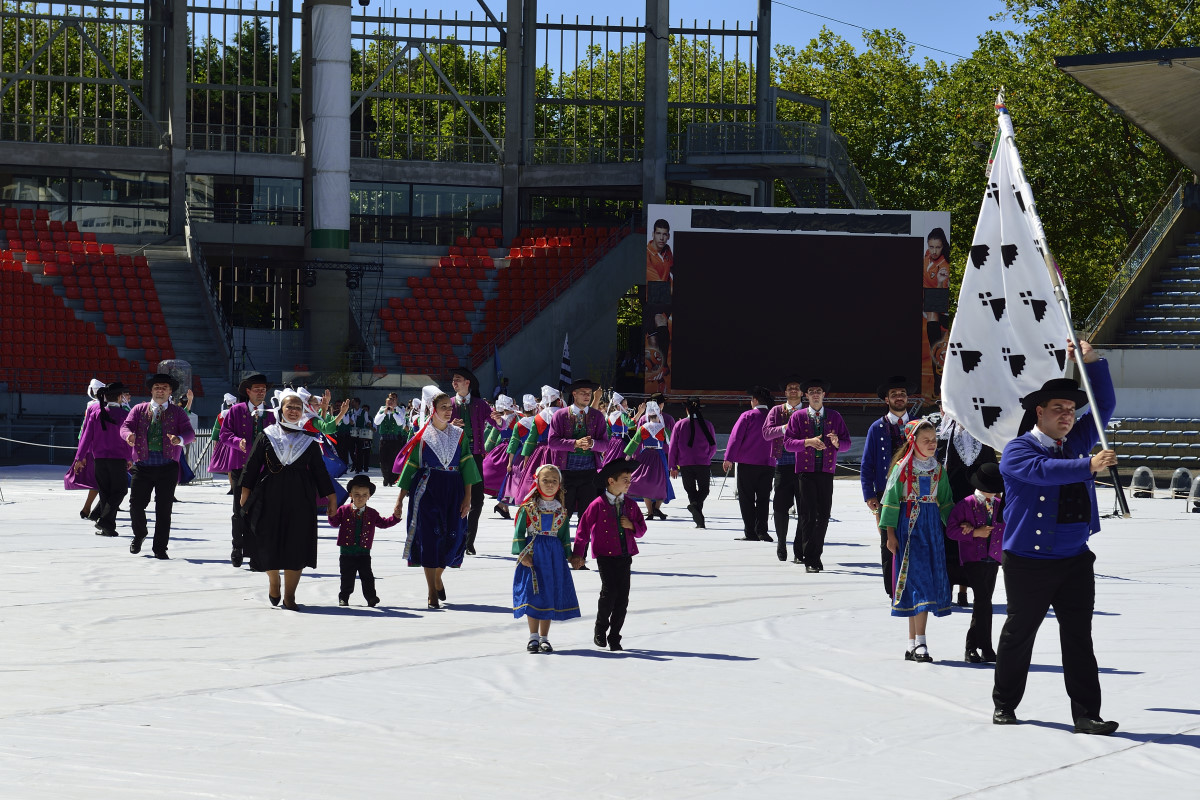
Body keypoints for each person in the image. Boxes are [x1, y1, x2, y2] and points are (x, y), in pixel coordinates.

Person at [992, 340, 1119, 735]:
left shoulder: (1076, 443)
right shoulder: (1017, 450)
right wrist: (1089, 464)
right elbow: (1045, 472)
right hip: (1029, 562)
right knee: (1019, 634)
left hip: (1075, 559)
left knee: (1079, 637)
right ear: (1039, 413)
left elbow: (1105, 407)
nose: (1067, 416)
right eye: (1058, 410)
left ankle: (1086, 714)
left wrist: (1092, 361)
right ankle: (1005, 704)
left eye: (1071, 410)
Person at [239, 389, 339, 610]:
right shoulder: (267, 435)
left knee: (297, 544)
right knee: (267, 541)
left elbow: (320, 473)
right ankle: (274, 581)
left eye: (298, 408)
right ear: (280, 409)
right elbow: (252, 466)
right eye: (289, 407)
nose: (293, 411)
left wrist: (331, 497)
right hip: (268, 495)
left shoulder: (310, 441)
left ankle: (290, 596)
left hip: (300, 497)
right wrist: (245, 493)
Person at [392, 387, 483, 609]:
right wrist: (399, 500)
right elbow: (411, 467)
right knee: (430, 539)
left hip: (454, 489)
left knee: (455, 537)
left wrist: (468, 497)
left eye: (450, 407)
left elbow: (467, 465)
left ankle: (437, 577)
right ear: (432, 410)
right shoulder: (422, 437)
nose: (448, 411)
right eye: (443, 407)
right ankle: (432, 591)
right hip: (427, 489)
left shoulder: (459, 435)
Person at [880, 418, 954, 662]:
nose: (932, 444)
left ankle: (912, 643)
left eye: (934, 440)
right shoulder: (902, 468)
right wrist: (889, 534)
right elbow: (890, 503)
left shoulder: (937, 469)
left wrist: (956, 526)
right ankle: (921, 642)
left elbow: (945, 502)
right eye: (927, 440)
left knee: (923, 582)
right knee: (918, 583)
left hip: (931, 528)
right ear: (914, 441)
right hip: (910, 529)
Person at [572, 458, 647, 652]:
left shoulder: (631, 505)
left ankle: (615, 636)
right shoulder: (597, 504)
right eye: (625, 479)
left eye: (630, 479)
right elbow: (583, 530)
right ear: (611, 481)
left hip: (625, 555)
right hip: (605, 556)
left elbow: (642, 529)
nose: (629, 482)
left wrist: (632, 526)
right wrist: (577, 555)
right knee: (609, 593)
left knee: (623, 598)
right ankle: (600, 629)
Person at [120, 373, 196, 559]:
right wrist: (128, 435)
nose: (160, 390)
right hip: (143, 466)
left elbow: (189, 433)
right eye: (156, 387)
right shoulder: (138, 409)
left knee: (164, 509)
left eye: (164, 388)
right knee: (136, 505)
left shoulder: (178, 412)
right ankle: (140, 534)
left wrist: (179, 439)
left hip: (167, 467)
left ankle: (160, 548)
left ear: (170, 391)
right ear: (152, 391)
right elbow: (125, 426)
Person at [782, 378, 851, 572]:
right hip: (806, 472)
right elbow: (788, 443)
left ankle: (814, 553)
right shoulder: (797, 417)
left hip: (826, 472)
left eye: (818, 391)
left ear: (823, 394)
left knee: (824, 515)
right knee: (808, 515)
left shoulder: (835, 416)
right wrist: (808, 442)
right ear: (806, 395)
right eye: (811, 391)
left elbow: (846, 443)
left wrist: (837, 443)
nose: (815, 394)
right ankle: (810, 558)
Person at [511, 464, 582, 652]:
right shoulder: (528, 508)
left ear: (559, 484)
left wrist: (570, 556)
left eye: (554, 481)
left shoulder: (562, 511)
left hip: (554, 557)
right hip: (534, 554)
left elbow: (564, 538)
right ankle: (533, 636)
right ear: (537, 482)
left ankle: (544, 637)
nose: (550, 484)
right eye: (545, 480)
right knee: (534, 594)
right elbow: (519, 532)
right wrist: (522, 554)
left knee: (548, 592)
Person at [934, 411, 997, 608]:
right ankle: (948, 590)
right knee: (950, 542)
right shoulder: (944, 433)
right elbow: (937, 466)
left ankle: (966, 591)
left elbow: (991, 468)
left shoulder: (983, 435)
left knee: (973, 543)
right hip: (949, 498)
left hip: (977, 497)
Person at [946, 462, 1005, 664]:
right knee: (983, 601)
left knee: (984, 602)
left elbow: (1006, 528)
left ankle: (984, 647)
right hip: (973, 559)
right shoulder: (966, 504)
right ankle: (974, 647)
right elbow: (951, 531)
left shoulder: (999, 505)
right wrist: (974, 532)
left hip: (993, 558)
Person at [861, 375, 914, 597]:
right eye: (894, 394)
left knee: (914, 538)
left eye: (902, 393)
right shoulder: (876, 427)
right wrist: (869, 493)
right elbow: (867, 463)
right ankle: (892, 589)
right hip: (885, 494)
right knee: (888, 540)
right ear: (886, 399)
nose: (899, 397)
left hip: (914, 492)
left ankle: (913, 585)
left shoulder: (919, 425)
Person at [219, 374, 274, 568]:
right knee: (239, 510)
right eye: (257, 389)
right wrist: (237, 441)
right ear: (248, 391)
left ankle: (256, 553)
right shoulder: (235, 410)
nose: (261, 392)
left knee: (261, 512)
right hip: (240, 468)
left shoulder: (272, 413)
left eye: (263, 389)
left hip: (264, 469)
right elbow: (224, 434)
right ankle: (237, 546)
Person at [69, 381, 131, 537]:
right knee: (120, 490)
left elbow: (85, 437)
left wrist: (80, 457)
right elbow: (129, 439)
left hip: (99, 459)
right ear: (119, 397)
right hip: (118, 458)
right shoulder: (124, 415)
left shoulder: (95, 412)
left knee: (105, 492)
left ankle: (107, 526)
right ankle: (105, 521)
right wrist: (130, 457)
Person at [328, 474, 400, 608]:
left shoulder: (372, 513)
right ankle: (344, 597)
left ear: (369, 496)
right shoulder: (343, 510)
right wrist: (331, 515)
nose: (360, 498)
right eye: (357, 494)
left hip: (364, 553)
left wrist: (395, 518)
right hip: (346, 553)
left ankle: (371, 597)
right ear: (350, 495)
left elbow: (383, 523)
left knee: (367, 577)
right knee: (347, 577)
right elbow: (334, 523)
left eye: (364, 495)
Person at [548, 378, 611, 526]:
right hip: (566, 472)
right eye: (583, 393)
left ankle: (583, 547)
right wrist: (575, 443)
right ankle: (562, 545)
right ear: (574, 394)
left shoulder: (598, 416)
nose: (587, 396)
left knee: (587, 515)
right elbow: (552, 442)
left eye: (589, 393)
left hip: (589, 472)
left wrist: (592, 444)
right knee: (563, 513)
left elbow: (605, 445)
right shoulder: (560, 415)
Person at [448, 366, 497, 555]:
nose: (454, 382)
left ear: (467, 382)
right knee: (455, 498)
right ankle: (455, 537)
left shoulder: (480, 404)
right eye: (453, 379)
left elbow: (497, 425)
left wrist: (499, 420)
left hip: (475, 457)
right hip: (453, 457)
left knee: (478, 499)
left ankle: (469, 540)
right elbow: (436, 427)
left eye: (458, 379)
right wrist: (449, 426)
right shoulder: (448, 403)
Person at [723, 386, 777, 543]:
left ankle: (750, 532)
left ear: (755, 400)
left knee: (746, 498)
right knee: (763, 498)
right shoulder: (774, 417)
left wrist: (728, 458)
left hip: (747, 463)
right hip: (768, 463)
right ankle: (762, 531)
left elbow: (736, 438)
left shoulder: (747, 415)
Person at [762, 376, 805, 557]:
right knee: (780, 506)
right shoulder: (776, 411)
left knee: (805, 508)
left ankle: (798, 546)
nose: (794, 390)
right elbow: (766, 433)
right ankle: (781, 541)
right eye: (790, 388)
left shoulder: (810, 411)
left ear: (802, 393)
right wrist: (783, 428)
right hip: (783, 464)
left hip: (805, 465)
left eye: (797, 387)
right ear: (785, 393)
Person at [668, 397, 717, 528]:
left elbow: (673, 447)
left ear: (686, 409)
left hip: (685, 463)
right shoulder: (707, 424)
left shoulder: (680, 425)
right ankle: (696, 510)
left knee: (690, 490)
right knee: (704, 490)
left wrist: (673, 466)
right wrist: (707, 456)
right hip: (703, 463)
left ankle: (696, 511)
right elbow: (713, 446)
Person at [624, 400, 674, 520]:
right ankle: (656, 508)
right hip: (659, 455)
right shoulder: (663, 429)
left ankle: (651, 511)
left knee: (644, 481)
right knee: (662, 482)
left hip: (645, 455)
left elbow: (634, 442)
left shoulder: (643, 428)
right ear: (658, 414)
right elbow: (673, 441)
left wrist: (628, 455)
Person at [514, 385, 564, 501]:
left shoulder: (538, 417)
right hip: (560, 450)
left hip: (542, 451)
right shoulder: (563, 414)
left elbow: (531, 440)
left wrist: (526, 460)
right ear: (558, 400)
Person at [72, 378, 106, 521]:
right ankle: (93, 509)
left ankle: (92, 508)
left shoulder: (93, 405)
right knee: (100, 481)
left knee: (102, 481)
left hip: (98, 447)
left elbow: (84, 431)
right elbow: (85, 430)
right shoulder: (93, 406)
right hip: (98, 448)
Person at [482, 394, 520, 519]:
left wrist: (486, 450)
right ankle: (503, 505)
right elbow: (492, 437)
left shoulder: (515, 418)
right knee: (509, 478)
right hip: (512, 449)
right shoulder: (516, 418)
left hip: (509, 449)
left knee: (509, 478)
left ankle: (502, 505)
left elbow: (492, 438)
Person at [375, 392, 409, 488]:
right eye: (389, 401)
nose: (390, 403)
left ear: (395, 401)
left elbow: (400, 423)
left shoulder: (400, 409)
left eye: (392, 401)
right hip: (384, 438)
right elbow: (376, 421)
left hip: (395, 439)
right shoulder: (382, 409)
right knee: (383, 459)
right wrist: (384, 412)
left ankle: (392, 479)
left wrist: (393, 411)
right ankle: (386, 478)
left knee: (393, 459)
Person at [208, 393, 239, 493]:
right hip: (238, 441)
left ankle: (232, 487)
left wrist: (215, 444)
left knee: (230, 466)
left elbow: (216, 430)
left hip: (225, 443)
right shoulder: (241, 412)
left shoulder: (221, 415)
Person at [600, 392, 642, 467]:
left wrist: (606, 449)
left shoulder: (610, 416)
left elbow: (608, 433)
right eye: (625, 404)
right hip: (622, 441)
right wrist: (639, 412)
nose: (627, 406)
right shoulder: (622, 415)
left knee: (611, 462)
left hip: (613, 442)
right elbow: (631, 423)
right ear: (619, 406)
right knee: (624, 463)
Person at [345, 398, 374, 474]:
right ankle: (355, 463)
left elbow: (367, 421)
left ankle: (359, 468)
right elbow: (350, 422)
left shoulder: (364, 412)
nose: (352, 403)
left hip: (360, 433)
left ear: (357, 403)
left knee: (359, 451)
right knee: (351, 451)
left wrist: (369, 423)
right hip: (352, 433)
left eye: (353, 402)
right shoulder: (350, 412)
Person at [646, 218, 674, 287]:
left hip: (668, 294)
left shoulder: (667, 249)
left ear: (668, 236)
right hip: (655, 295)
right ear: (653, 234)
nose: (661, 238)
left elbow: (672, 268)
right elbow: (659, 286)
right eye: (658, 233)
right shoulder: (646, 255)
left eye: (664, 234)